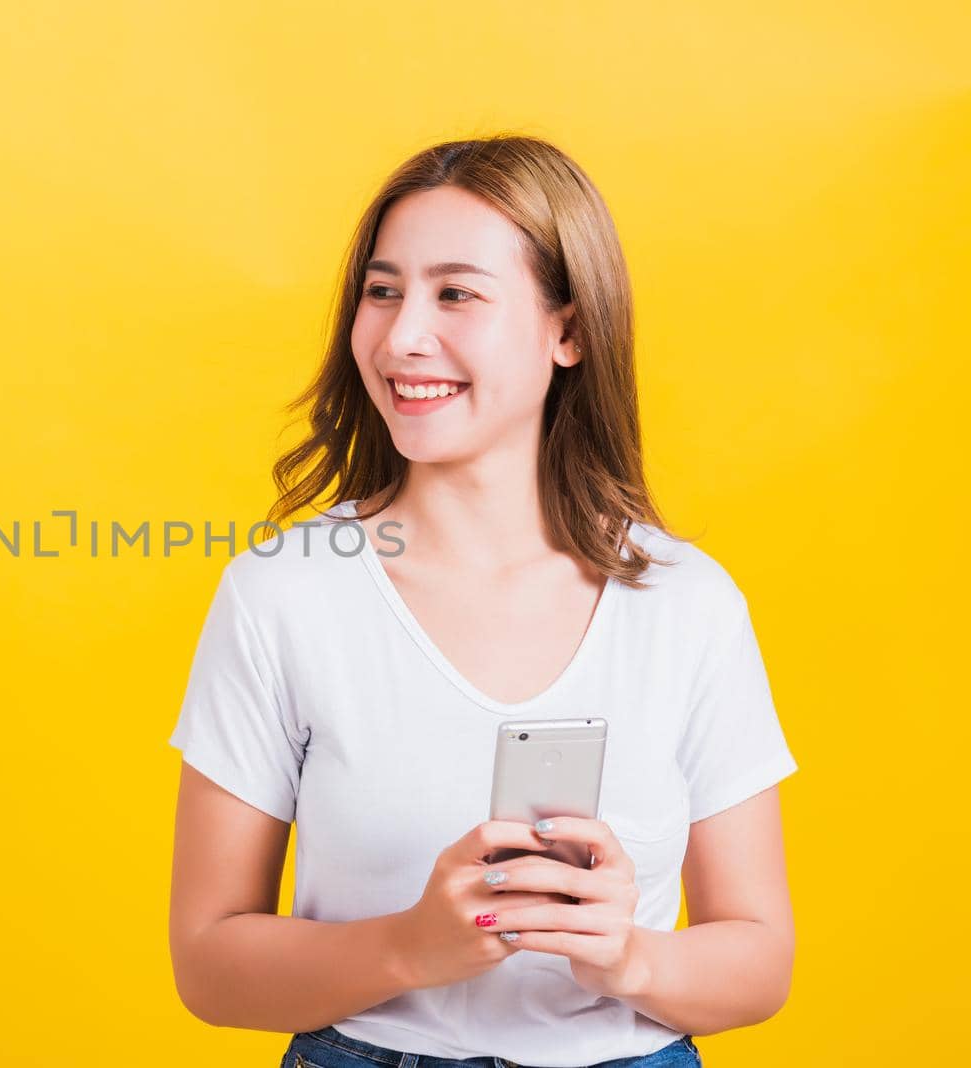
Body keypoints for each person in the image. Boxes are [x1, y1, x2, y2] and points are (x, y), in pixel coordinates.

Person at [166, 135, 797, 1068]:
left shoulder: (684, 604)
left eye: (455, 293)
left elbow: (760, 961)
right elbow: (209, 964)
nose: (401, 336)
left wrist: (627, 959)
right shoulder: (282, 593)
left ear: (569, 331)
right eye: (382, 291)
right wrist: (407, 947)